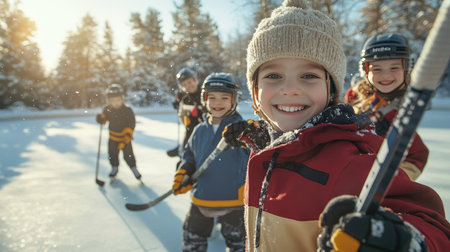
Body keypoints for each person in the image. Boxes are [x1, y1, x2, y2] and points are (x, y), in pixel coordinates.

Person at [222, 0, 450, 251]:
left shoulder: (349, 160)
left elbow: (433, 226)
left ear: (330, 89)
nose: (290, 89)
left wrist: (400, 238)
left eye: (309, 76)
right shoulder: (267, 149)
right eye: (273, 76)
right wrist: (258, 136)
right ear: (254, 91)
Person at [172, 73, 250, 252]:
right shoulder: (199, 129)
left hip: (234, 203)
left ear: (234, 100)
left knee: (239, 246)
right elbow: (190, 155)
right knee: (192, 242)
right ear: (204, 100)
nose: (217, 103)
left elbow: (256, 154)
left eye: (224, 98)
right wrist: (184, 172)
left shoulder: (242, 129)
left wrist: (248, 136)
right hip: (201, 199)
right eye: (212, 97)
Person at [347, 33, 428, 181]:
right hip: (347, 173)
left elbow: (417, 156)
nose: (386, 75)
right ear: (366, 71)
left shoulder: (403, 112)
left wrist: (391, 178)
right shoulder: (354, 99)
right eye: (377, 69)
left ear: (406, 69)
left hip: (372, 182)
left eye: (394, 67)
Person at [96, 84, 142, 180]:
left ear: (122, 99)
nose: (116, 103)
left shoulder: (128, 110)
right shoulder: (107, 109)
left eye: (118, 100)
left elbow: (131, 124)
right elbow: (104, 120)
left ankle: (133, 168)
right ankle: (114, 167)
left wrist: (127, 136)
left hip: (125, 138)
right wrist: (101, 119)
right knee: (112, 154)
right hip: (113, 137)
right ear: (109, 101)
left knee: (128, 155)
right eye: (113, 101)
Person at [166, 68, 205, 158]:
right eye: (184, 85)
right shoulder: (185, 98)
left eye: (190, 82)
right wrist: (187, 120)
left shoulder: (204, 93)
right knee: (188, 139)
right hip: (191, 129)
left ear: (195, 80)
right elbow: (182, 114)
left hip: (205, 129)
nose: (188, 86)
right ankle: (183, 152)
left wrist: (200, 113)